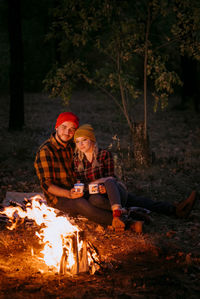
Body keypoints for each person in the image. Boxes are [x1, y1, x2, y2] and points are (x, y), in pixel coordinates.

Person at [73, 124, 197, 230]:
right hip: (99, 197)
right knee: (95, 200)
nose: (81, 144)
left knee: (118, 188)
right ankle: (130, 212)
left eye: (84, 140)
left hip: (114, 192)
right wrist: (89, 187)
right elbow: (81, 184)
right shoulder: (77, 161)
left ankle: (176, 209)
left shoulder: (104, 155)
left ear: (92, 140)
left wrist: (100, 184)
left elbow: (110, 178)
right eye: (77, 141)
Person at [34, 112, 114, 225]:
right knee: (80, 203)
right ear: (56, 127)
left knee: (98, 199)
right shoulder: (46, 151)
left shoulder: (74, 145)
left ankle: (126, 208)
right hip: (60, 197)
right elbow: (47, 185)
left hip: (79, 189)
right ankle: (122, 221)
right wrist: (68, 194)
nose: (67, 132)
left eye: (72, 129)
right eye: (64, 127)